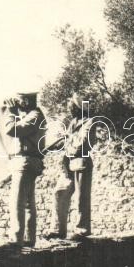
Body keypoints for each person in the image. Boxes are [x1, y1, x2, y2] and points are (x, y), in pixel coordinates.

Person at [48, 95, 96, 240]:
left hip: (81, 162)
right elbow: (68, 142)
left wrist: (68, 139)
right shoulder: (73, 123)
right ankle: (58, 230)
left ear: (79, 108)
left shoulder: (90, 122)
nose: (70, 109)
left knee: (82, 198)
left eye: (72, 107)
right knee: (59, 192)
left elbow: (85, 143)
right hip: (68, 163)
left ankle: (82, 230)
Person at [3, 91, 46, 247]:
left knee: (17, 201)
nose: (17, 103)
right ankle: (28, 239)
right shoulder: (31, 115)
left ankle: (16, 240)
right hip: (26, 160)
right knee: (27, 202)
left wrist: (11, 113)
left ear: (26, 101)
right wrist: (16, 113)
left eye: (19, 100)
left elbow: (12, 130)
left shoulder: (35, 116)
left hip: (26, 161)